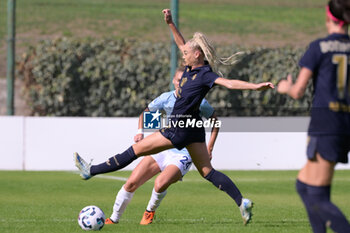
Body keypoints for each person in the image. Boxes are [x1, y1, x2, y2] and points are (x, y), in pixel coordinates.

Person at [74, 8, 274, 225]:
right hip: (194, 130)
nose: (183, 54)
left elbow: (229, 83)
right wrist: (170, 23)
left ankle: (90, 171)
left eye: (187, 52)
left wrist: (255, 87)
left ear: (197, 54)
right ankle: (241, 202)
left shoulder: (206, 74)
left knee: (133, 152)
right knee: (207, 172)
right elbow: (181, 43)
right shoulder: (190, 66)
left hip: (178, 129)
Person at [105, 67, 223, 225]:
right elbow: (146, 113)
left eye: (185, 81)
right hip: (163, 148)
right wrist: (141, 132)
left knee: (160, 183)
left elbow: (215, 122)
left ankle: (149, 212)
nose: (181, 84)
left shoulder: (199, 101)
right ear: (174, 81)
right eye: (178, 80)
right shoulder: (166, 98)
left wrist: (209, 147)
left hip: (184, 153)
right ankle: (113, 219)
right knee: (131, 183)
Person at [277, 1, 350, 232]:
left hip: (324, 123)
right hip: (343, 124)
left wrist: (284, 87)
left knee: (317, 196)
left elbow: (298, 91)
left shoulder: (319, 47)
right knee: (304, 186)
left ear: (329, 17)